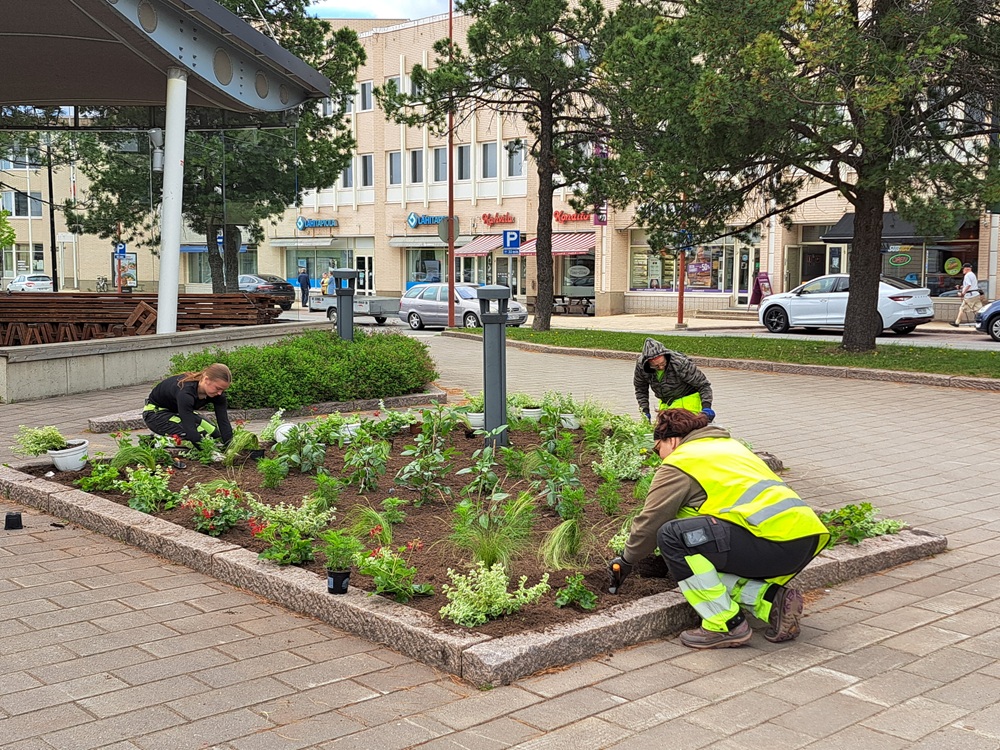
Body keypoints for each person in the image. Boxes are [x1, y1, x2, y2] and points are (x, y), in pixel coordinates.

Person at [609, 409, 830, 649]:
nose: (658, 457)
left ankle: (725, 624)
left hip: (768, 541)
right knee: (699, 566)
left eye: (657, 449)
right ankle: (771, 600)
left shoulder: (681, 462)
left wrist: (627, 560)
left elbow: (651, 520)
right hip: (802, 541)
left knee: (672, 537)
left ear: (671, 440)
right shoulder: (729, 447)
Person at [142, 364, 234, 448]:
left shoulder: (218, 395)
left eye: (222, 390)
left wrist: (230, 447)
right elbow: (191, 430)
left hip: (176, 412)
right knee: (201, 434)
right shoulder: (186, 393)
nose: (220, 393)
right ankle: (156, 441)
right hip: (155, 415)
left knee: (214, 433)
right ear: (206, 380)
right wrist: (209, 452)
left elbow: (223, 422)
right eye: (218, 388)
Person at [634, 337, 714, 422]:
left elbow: (703, 385)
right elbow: (640, 389)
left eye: (663, 363)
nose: (661, 367)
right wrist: (645, 411)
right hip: (667, 404)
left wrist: (706, 407)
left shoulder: (679, 363)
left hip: (688, 403)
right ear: (648, 362)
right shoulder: (641, 366)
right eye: (656, 366)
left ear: (665, 356)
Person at [951, 262, 983, 326]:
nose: (962, 270)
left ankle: (957, 323)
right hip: (976, 294)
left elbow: (968, 285)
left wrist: (962, 293)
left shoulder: (967, 275)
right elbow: (970, 285)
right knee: (978, 309)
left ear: (967, 269)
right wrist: (961, 287)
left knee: (962, 308)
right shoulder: (973, 275)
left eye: (963, 269)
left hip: (970, 296)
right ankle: (982, 321)